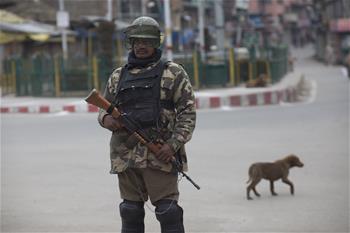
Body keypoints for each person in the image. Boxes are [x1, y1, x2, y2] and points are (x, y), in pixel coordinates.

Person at [97, 16, 196, 233]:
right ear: (130, 43)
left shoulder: (174, 73)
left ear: (156, 43)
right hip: (126, 155)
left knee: (168, 212)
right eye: (137, 41)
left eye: (147, 41)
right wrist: (107, 119)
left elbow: (188, 112)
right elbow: (103, 107)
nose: (142, 46)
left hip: (160, 153)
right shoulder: (118, 76)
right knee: (130, 211)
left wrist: (173, 145)